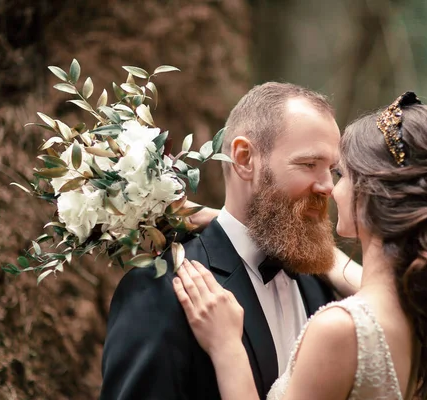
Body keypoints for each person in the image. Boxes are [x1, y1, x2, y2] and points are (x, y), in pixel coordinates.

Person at [173, 92, 427, 399]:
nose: (330, 187)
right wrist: (225, 221)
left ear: (371, 195)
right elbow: (351, 273)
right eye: (312, 165)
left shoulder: (339, 329)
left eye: (341, 174)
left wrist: (228, 348)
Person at [100, 82, 361, 400]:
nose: (327, 187)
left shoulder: (316, 285)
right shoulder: (159, 290)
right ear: (244, 158)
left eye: (332, 170)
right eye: (309, 164)